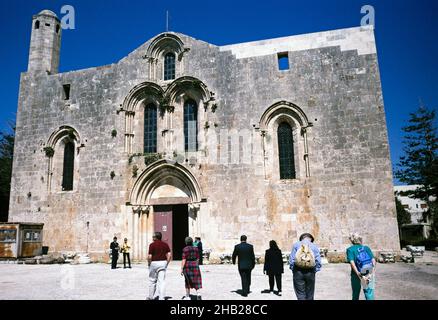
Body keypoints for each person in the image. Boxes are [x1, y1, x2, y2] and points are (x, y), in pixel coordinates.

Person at [289, 233, 322, 300]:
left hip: (298, 271)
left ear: (301, 238)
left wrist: (294, 270)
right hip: (310, 271)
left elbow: (291, 260)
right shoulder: (314, 246)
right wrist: (315, 270)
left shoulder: (296, 245)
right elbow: (318, 261)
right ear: (310, 239)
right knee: (310, 294)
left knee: (300, 294)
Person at [346, 232, 376, 300]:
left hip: (356, 274)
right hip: (368, 272)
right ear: (360, 239)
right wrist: (371, 274)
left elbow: (352, 262)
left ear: (352, 240)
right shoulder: (366, 248)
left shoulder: (350, 249)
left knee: (355, 294)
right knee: (369, 293)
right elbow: (373, 261)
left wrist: (358, 274)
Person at [147, 232, 172, 300]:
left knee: (152, 280)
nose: (152, 238)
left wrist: (149, 264)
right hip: (163, 263)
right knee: (162, 281)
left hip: (154, 263)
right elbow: (169, 255)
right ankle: (161, 297)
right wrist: (167, 263)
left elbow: (150, 256)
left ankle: (150, 297)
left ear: (155, 237)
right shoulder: (165, 244)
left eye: (153, 237)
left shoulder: (152, 245)